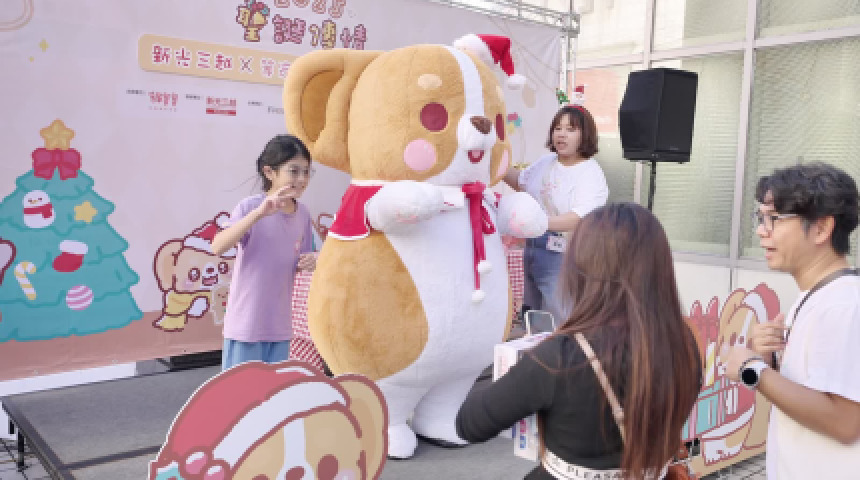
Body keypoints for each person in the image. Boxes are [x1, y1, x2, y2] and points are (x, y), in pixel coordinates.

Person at [456, 203, 702, 479]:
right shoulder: (684, 342)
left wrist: (512, 362)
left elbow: (469, 424)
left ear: (581, 268)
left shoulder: (558, 356)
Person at [725, 163, 860, 479]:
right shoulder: (820, 295)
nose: (762, 230)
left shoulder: (843, 305)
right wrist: (769, 361)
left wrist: (752, 371)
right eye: (760, 218)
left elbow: (845, 421)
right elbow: (813, 394)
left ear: (821, 229)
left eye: (774, 219)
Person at [212, 134, 317, 371]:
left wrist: (312, 261)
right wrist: (259, 214)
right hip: (246, 325)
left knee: (274, 392)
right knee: (240, 392)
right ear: (269, 172)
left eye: (307, 172)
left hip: (280, 327)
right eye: (294, 171)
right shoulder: (250, 207)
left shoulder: (303, 214)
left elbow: (302, 260)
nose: (302, 179)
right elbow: (218, 246)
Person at [502, 105, 609, 323]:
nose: (561, 134)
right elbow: (521, 182)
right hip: (532, 246)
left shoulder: (590, 173)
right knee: (533, 316)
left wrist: (539, 223)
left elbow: (579, 217)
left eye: (570, 129)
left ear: (585, 134)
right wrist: (496, 164)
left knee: (561, 316)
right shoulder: (546, 162)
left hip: (565, 255)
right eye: (558, 128)